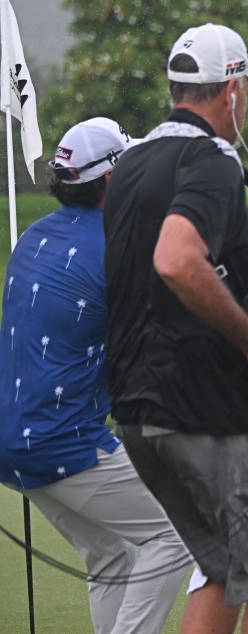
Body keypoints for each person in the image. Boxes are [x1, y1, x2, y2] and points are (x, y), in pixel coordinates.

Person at [103, 23, 248, 634]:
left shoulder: (131, 160)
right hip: (201, 408)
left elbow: (163, 270)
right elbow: (174, 258)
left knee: (222, 570)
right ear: (232, 89)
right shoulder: (213, 160)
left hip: (137, 412)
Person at [0, 118, 192, 633]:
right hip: (60, 442)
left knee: (109, 555)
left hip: (11, 442)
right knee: (178, 531)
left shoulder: (35, 234)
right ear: (112, 178)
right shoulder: (119, 244)